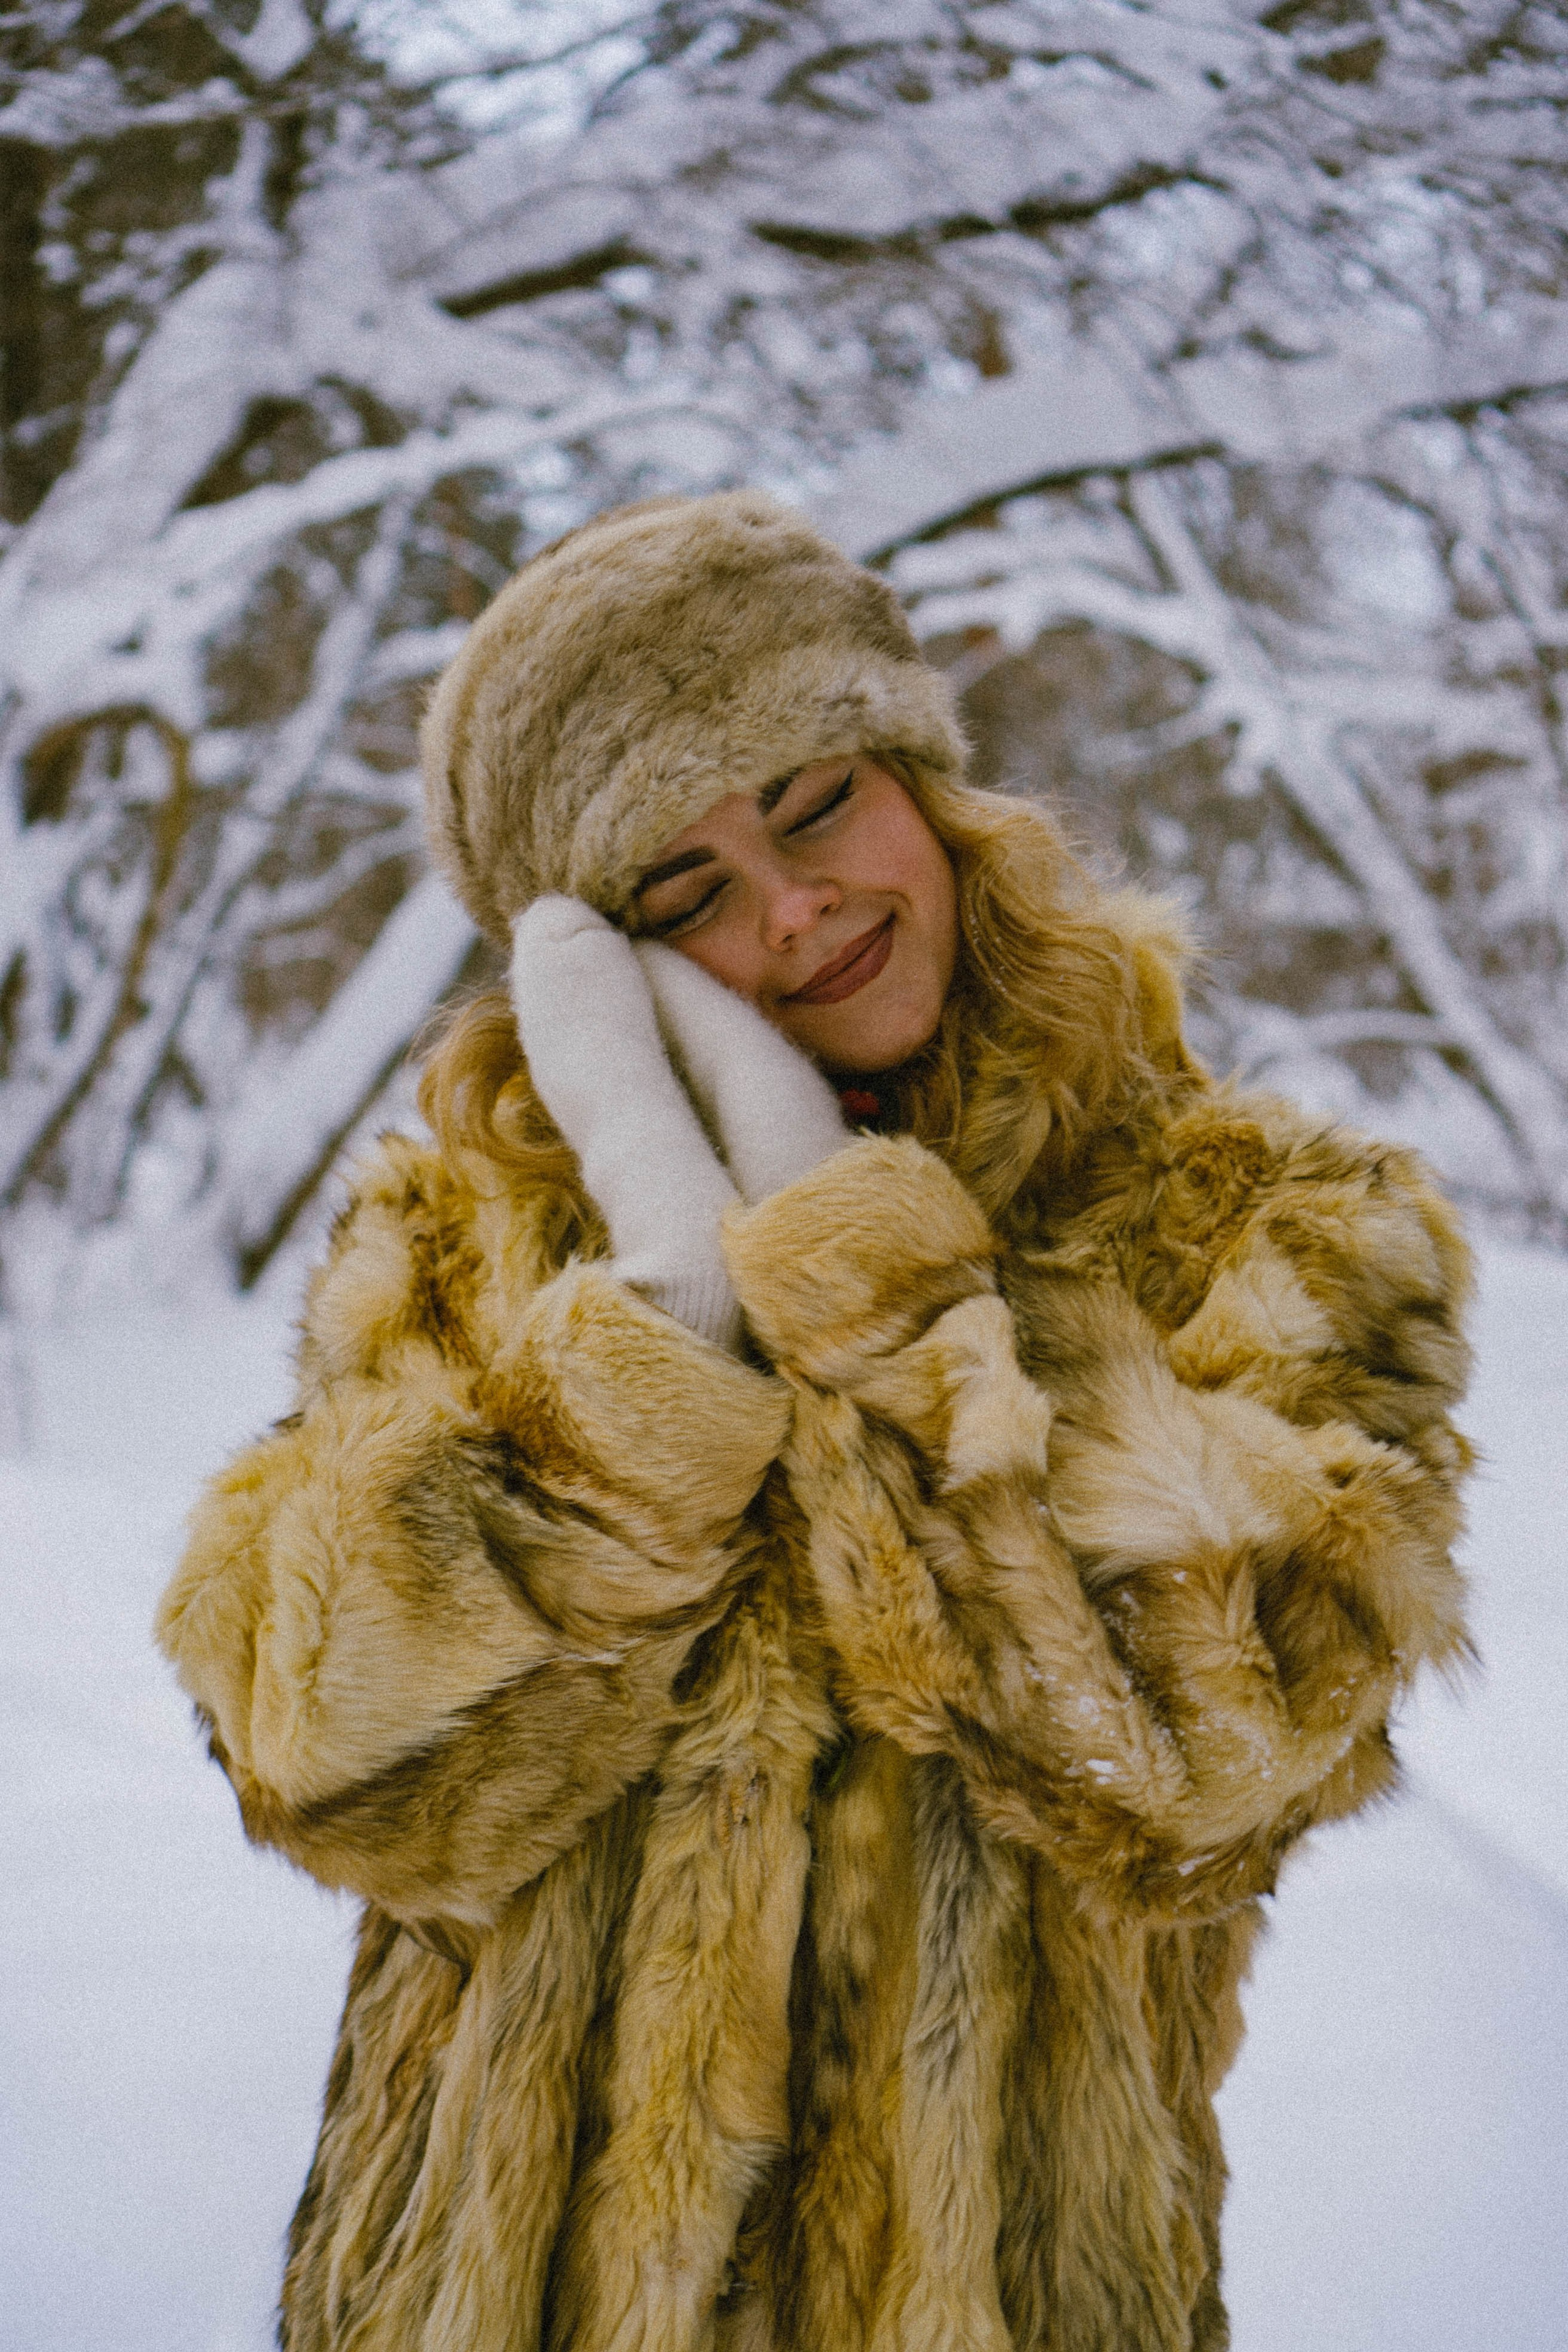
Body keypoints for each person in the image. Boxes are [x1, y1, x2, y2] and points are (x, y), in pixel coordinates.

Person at [155, 491, 1474, 2352]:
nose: (796, 911)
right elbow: (321, 1762)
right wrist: (656, 1341)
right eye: (684, 893)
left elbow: (1199, 1766)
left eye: (813, 805)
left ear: (924, 785)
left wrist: (870, 1286)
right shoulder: (461, 1242)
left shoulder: (1258, 1225)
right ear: (593, 964)